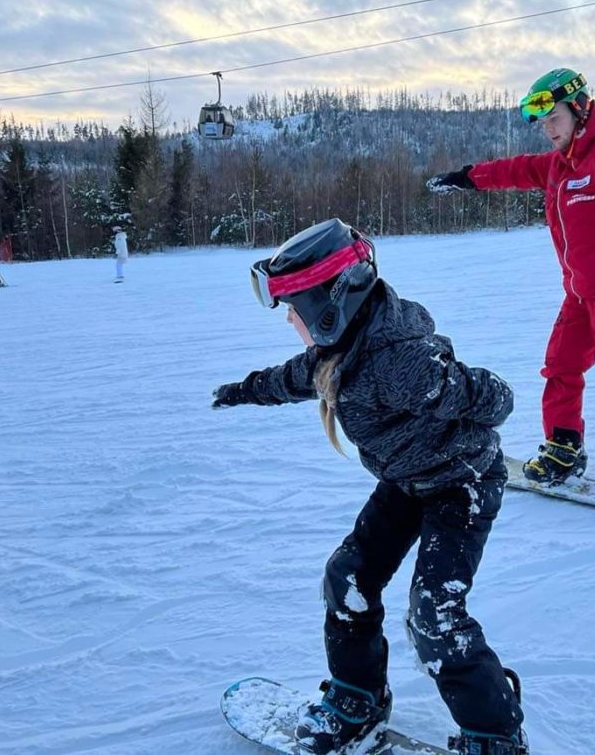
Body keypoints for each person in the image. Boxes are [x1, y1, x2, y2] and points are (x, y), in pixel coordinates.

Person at [211, 218, 527, 755]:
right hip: (406, 481)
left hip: (460, 483)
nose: (288, 317)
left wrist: (479, 396)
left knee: (435, 614)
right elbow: (292, 379)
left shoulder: (401, 364)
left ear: (327, 305)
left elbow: (493, 398)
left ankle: (495, 735)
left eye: (292, 305)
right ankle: (358, 696)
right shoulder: (338, 351)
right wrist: (243, 390)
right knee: (348, 577)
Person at [427, 67, 595, 510]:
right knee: (560, 366)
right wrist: (466, 176)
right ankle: (563, 447)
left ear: (578, 108)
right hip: (580, 292)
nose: (547, 130)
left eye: (553, 118)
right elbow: (513, 170)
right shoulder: (560, 163)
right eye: (542, 123)